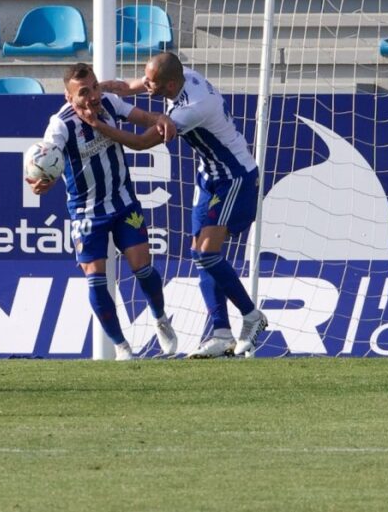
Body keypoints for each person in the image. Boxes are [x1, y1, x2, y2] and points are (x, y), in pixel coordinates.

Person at [93, 52, 268, 359]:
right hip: (208, 177)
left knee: (206, 253)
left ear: (170, 84)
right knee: (199, 255)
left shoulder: (193, 108)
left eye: (153, 83)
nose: (147, 85)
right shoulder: (178, 76)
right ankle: (221, 333)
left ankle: (252, 316)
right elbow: (130, 86)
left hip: (235, 176)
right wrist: (98, 88)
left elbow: (139, 143)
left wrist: (97, 126)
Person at [28, 63, 179, 361]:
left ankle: (160, 319)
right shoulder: (60, 125)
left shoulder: (109, 103)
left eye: (95, 87)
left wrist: (159, 118)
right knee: (95, 277)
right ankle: (122, 347)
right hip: (86, 212)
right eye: (84, 92)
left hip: (123, 202)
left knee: (142, 267)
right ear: (69, 97)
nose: (93, 96)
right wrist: (43, 180)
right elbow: (48, 155)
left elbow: (141, 117)